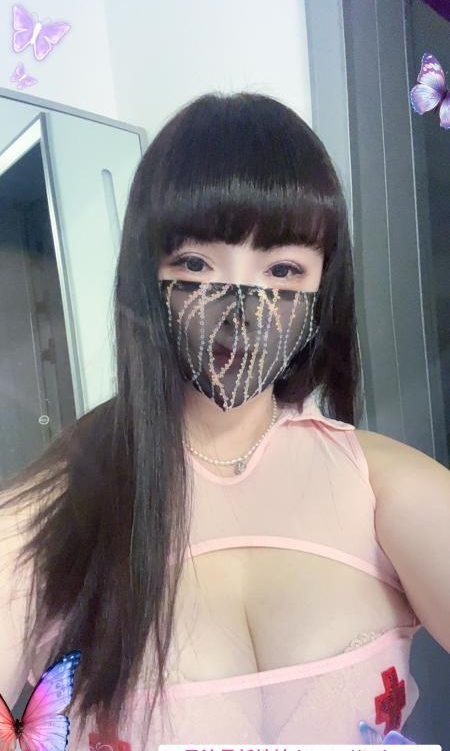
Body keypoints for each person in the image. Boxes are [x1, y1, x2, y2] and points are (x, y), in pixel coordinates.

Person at [0, 91, 449, 751]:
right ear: (145, 277)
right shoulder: (46, 513)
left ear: (324, 287)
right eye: (195, 264)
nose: (240, 309)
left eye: (283, 269)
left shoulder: (386, 486)